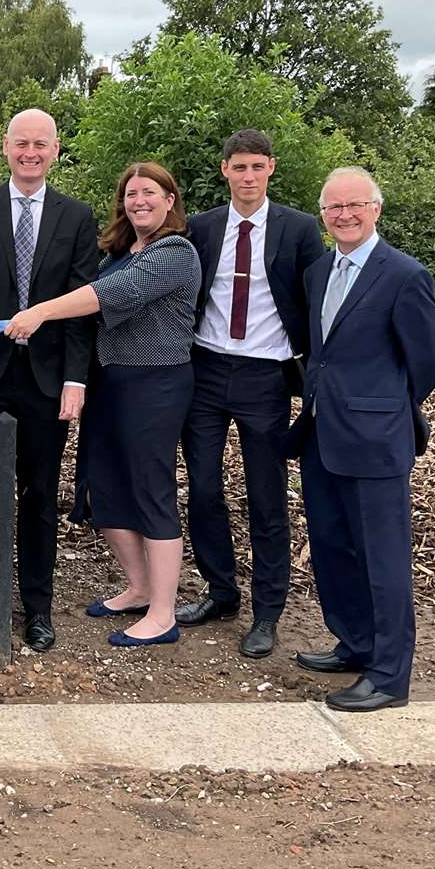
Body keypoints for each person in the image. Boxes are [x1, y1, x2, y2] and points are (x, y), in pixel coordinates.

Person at [5, 162, 201, 648]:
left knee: (150, 490)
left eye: (150, 193)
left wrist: (39, 312)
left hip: (155, 384)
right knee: (103, 487)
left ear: (170, 200)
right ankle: (138, 588)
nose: (139, 201)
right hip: (108, 383)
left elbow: (109, 295)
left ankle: (162, 613)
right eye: (131, 194)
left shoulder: (175, 252)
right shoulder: (118, 251)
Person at [288, 167, 435, 712]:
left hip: (376, 439)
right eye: (333, 207)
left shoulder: (403, 274)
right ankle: (354, 644)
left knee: (383, 559)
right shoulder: (317, 271)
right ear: (323, 215)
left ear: (376, 209)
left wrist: (379, 408)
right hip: (320, 435)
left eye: (355, 205)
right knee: (333, 549)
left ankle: (387, 675)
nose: (344, 215)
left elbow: (426, 364)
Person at [0, 108, 99, 651]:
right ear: (5, 147)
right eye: (21, 143)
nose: (30, 152)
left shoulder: (76, 217)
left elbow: (83, 307)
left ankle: (37, 607)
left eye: (40, 144)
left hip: (46, 381)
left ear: (55, 149)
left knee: (39, 497)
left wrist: (76, 380)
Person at [176, 129, 326, 658]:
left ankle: (268, 612)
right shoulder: (202, 228)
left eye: (257, 167)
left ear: (271, 169)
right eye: (239, 167)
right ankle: (221, 593)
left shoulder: (301, 230)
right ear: (225, 170)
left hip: (266, 375)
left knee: (266, 498)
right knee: (204, 490)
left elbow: (317, 305)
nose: (248, 176)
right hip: (207, 370)